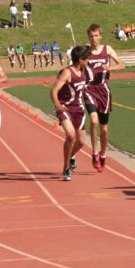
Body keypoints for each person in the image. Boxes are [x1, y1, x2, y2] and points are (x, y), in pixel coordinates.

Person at [84, 24, 125, 171]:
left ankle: (103, 154)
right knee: (93, 120)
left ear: (100, 36)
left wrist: (110, 68)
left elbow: (122, 64)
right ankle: (94, 152)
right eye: (91, 36)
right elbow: (76, 65)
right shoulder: (86, 51)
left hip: (104, 91)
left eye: (96, 36)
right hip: (89, 89)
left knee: (105, 129)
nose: (93, 39)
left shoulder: (107, 49)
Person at [51, 46, 91, 182]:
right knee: (70, 135)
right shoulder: (67, 73)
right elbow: (54, 90)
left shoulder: (85, 70)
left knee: (81, 142)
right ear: (80, 60)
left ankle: (71, 155)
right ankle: (66, 167)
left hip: (79, 110)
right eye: (87, 59)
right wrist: (57, 105)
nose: (89, 61)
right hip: (66, 108)